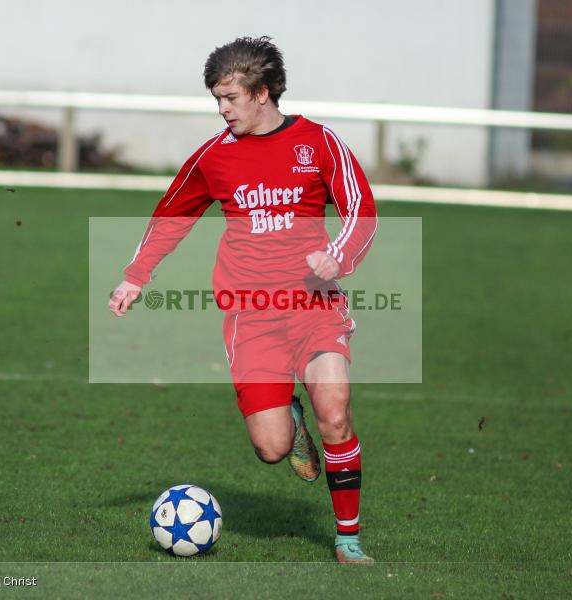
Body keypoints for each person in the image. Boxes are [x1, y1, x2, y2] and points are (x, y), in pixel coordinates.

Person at [109, 36, 377, 563]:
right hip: (251, 318)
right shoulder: (215, 156)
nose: (222, 109)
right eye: (217, 99)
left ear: (262, 92)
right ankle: (290, 423)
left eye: (230, 97)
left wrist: (338, 257)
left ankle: (348, 539)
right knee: (271, 448)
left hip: (314, 306)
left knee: (336, 413)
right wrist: (135, 277)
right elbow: (173, 214)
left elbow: (361, 211)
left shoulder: (319, 143)